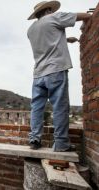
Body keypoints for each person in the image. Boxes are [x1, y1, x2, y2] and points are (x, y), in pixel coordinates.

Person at [27, 1, 91, 151]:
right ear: (48, 10)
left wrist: (66, 39)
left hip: (38, 74)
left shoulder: (31, 30)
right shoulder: (54, 18)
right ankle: (61, 143)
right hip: (55, 70)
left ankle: (34, 139)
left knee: (36, 108)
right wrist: (91, 15)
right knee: (60, 107)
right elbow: (79, 16)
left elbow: (48, 42)